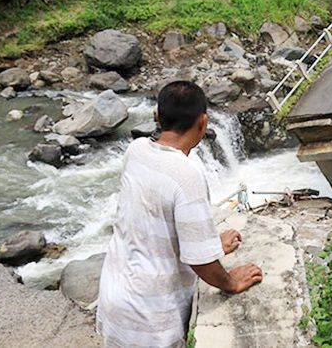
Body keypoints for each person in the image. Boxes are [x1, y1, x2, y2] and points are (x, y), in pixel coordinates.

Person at [96, 81, 263, 348]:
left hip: (115, 301)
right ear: (203, 122)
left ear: (158, 118)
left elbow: (154, 222)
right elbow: (200, 262)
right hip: (151, 319)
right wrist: (230, 282)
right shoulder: (187, 175)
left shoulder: (135, 150)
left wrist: (212, 245)